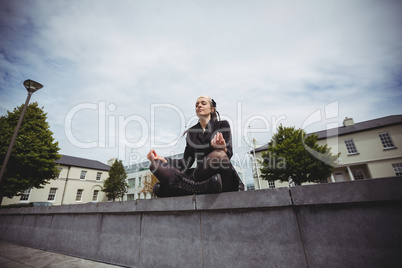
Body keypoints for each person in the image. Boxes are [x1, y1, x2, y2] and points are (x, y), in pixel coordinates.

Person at [147, 96, 244, 197]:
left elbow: (228, 154)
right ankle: (200, 188)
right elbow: (185, 163)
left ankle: (181, 189)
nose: (199, 106)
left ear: (212, 109)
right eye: (197, 105)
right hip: (200, 177)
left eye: (203, 103)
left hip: (221, 174)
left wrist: (223, 148)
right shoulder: (191, 132)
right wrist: (164, 160)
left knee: (219, 155)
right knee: (155, 165)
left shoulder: (222, 125)